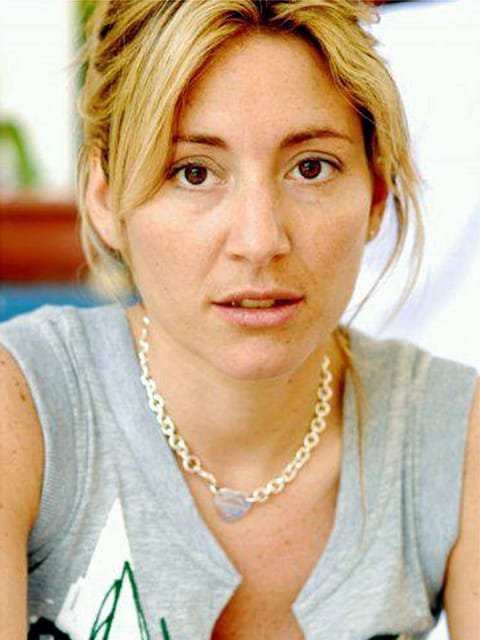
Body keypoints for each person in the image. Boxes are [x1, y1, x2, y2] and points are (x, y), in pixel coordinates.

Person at [0, 1, 478, 638]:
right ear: (106, 198)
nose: (259, 241)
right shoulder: (24, 407)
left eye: (311, 168)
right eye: (194, 172)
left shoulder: (453, 432)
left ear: (375, 195)